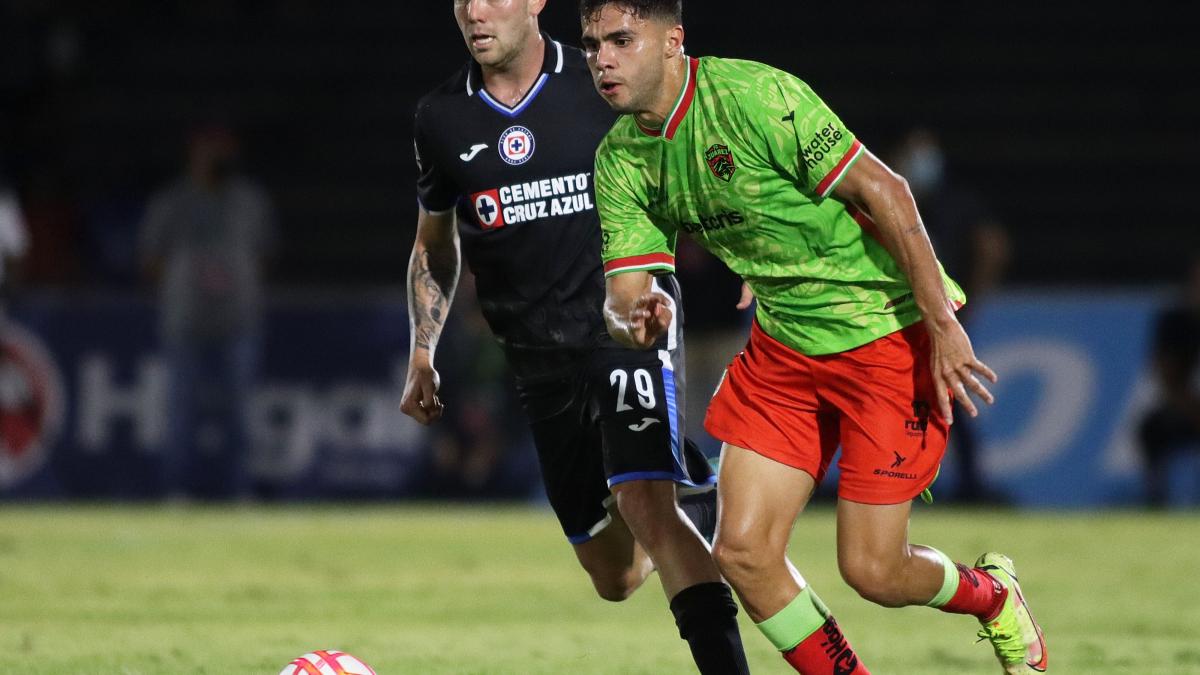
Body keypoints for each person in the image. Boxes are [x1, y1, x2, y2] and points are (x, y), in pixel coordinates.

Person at [580, 1, 1047, 673]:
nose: (603, 59)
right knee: (741, 550)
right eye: (593, 44)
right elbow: (623, 297)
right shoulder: (621, 159)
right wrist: (639, 316)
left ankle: (993, 594)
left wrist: (942, 322)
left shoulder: (755, 97)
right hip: (786, 346)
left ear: (673, 40)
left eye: (622, 39)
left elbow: (886, 190)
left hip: (883, 333)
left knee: (875, 571)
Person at [400, 2, 749, 673]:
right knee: (614, 576)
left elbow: (689, 151)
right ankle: (694, 497)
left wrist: (748, 247)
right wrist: (424, 349)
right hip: (537, 361)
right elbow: (435, 246)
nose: (476, 11)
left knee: (645, 502)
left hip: (627, 323)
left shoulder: (601, 76)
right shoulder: (440, 119)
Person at [140, 125, 277, 500]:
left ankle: (237, 491)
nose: (218, 157)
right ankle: (178, 490)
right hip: (185, 322)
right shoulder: (171, 201)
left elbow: (264, 255)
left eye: (225, 149)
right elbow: (151, 260)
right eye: (211, 148)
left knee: (239, 414)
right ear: (194, 152)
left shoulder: (250, 200)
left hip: (238, 322)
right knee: (181, 413)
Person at [892, 128, 1012, 503]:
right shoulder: (891, 196)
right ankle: (911, 482)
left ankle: (965, 484)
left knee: (947, 394)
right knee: (928, 395)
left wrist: (970, 299)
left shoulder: (951, 202)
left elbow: (993, 246)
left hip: (939, 317)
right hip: (900, 317)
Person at [1138, 256, 1200, 507]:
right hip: (1187, 407)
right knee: (1154, 426)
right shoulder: (1176, 321)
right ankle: (1157, 499)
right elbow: (1167, 377)